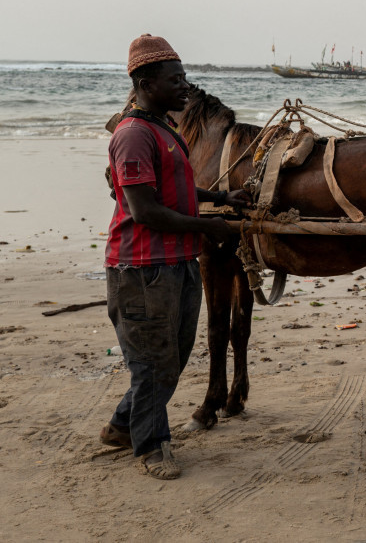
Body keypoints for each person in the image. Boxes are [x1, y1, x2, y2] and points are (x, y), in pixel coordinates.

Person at [101, 34, 249, 479]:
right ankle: (151, 447)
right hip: (142, 269)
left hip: (178, 262)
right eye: (176, 79)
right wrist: (208, 225)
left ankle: (123, 425)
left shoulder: (165, 129)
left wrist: (221, 195)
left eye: (185, 77)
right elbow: (145, 210)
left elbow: (177, 189)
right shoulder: (132, 136)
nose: (186, 87)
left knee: (173, 356)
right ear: (146, 83)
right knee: (152, 361)